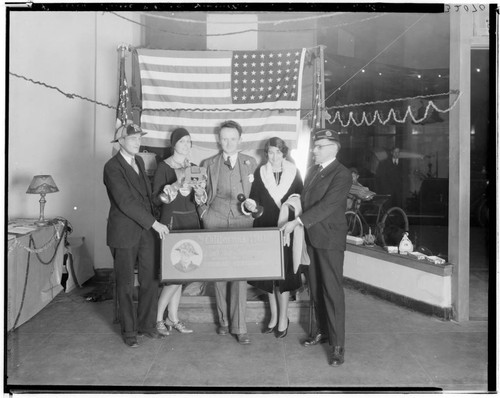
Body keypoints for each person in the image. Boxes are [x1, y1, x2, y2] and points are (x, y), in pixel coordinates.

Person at [281, 128, 352, 367]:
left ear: (334, 148)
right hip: (312, 238)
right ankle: (323, 331)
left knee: (332, 291)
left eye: (319, 146)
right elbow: (304, 198)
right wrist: (291, 204)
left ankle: (338, 345)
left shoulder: (342, 175)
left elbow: (327, 206)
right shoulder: (313, 171)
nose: (314, 150)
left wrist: (297, 222)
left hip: (330, 240)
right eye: (315, 145)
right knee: (315, 287)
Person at [104, 122, 170, 348]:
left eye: (139, 138)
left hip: (145, 232)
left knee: (150, 279)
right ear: (120, 141)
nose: (137, 142)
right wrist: (154, 223)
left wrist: (162, 197)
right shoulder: (112, 167)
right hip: (124, 233)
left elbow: (145, 198)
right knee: (124, 284)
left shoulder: (140, 161)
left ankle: (146, 325)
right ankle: (129, 331)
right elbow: (126, 202)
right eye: (132, 139)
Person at [199, 120, 258, 345]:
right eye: (224, 138)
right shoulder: (208, 164)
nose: (228, 142)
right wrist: (204, 213)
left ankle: (240, 326)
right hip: (214, 220)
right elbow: (200, 194)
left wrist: (251, 209)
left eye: (233, 138)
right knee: (219, 274)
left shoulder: (250, 163)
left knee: (239, 275)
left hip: (242, 222)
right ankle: (224, 321)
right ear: (218, 139)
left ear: (239, 140)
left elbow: (258, 194)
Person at [152, 127, 207, 335]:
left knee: (182, 274)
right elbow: (156, 199)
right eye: (182, 141)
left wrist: (201, 192)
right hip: (172, 222)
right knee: (173, 274)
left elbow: (199, 200)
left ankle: (172, 318)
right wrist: (173, 186)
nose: (186, 145)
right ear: (173, 144)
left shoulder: (194, 168)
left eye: (188, 141)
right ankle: (158, 318)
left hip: (190, 222)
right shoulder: (163, 167)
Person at [248, 137, 303, 338]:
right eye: (271, 152)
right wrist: (250, 205)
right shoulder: (260, 173)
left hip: (286, 229)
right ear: (266, 153)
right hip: (265, 227)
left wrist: (292, 208)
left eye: (278, 152)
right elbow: (254, 198)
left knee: (285, 275)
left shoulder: (294, 172)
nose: (274, 157)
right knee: (269, 275)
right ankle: (273, 316)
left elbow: (301, 198)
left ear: (284, 153)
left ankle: (283, 318)